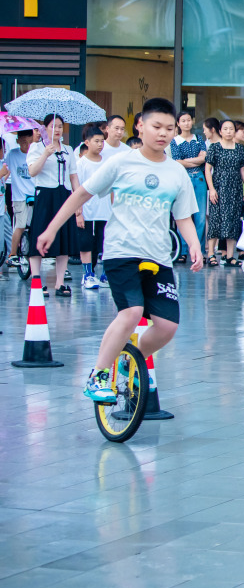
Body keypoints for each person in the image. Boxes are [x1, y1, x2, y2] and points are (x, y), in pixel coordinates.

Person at [36, 97, 201, 405]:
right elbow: (81, 194)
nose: (163, 133)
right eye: (156, 126)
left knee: (167, 326)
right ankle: (98, 375)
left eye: (169, 128)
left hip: (158, 256)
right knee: (133, 312)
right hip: (121, 252)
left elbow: (183, 217)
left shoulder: (176, 173)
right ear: (140, 126)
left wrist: (193, 244)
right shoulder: (122, 162)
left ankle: (130, 359)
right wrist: (52, 228)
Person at [28, 114, 80, 297]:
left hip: (63, 195)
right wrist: (45, 154)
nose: (57, 130)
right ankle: (36, 279)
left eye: (60, 126)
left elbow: (73, 176)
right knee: (38, 233)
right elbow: (33, 171)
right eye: (53, 126)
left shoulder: (68, 149)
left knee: (64, 237)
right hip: (44, 195)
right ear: (45, 128)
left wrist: (78, 201)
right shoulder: (36, 147)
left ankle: (59, 283)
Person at [205, 120, 244, 267]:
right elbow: (208, 169)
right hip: (218, 188)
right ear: (220, 131)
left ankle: (230, 256)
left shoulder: (240, 149)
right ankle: (211, 254)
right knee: (215, 220)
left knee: (233, 221)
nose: (229, 131)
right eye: (226, 129)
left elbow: (243, 169)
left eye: (231, 129)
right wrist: (211, 188)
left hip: (235, 189)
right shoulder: (214, 147)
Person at [75, 125, 110, 290]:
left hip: (105, 210)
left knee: (105, 242)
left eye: (102, 141)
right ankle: (88, 274)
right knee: (86, 242)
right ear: (87, 142)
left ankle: (105, 275)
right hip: (87, 211)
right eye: (96, 141)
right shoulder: (81, 163)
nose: (100, 144)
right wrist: (78, 212)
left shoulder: (107, 163)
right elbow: (77, 189)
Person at [171, 111, 208, 259]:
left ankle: (198, 250)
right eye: (183, 121)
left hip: (199, 178)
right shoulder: (174, 141)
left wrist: (187, 161)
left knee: (200, 217)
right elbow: (177, 161)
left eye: (188, 120)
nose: (186, 123)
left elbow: (204, 158)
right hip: (183, 178)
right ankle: (183, 250)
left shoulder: (199, 139)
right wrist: (195, 160)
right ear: (178, 124)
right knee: (183, 214)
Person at [4, 129, 35, 275]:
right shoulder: (12, 155)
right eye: (23, 142)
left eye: (29, 142)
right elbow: (5, 169)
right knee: (20, 225)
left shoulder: (35, 154)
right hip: (19, 196)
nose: (27, 146)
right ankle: (13, 254)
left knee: (36, 226)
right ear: (17, 141)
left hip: (34, 195)